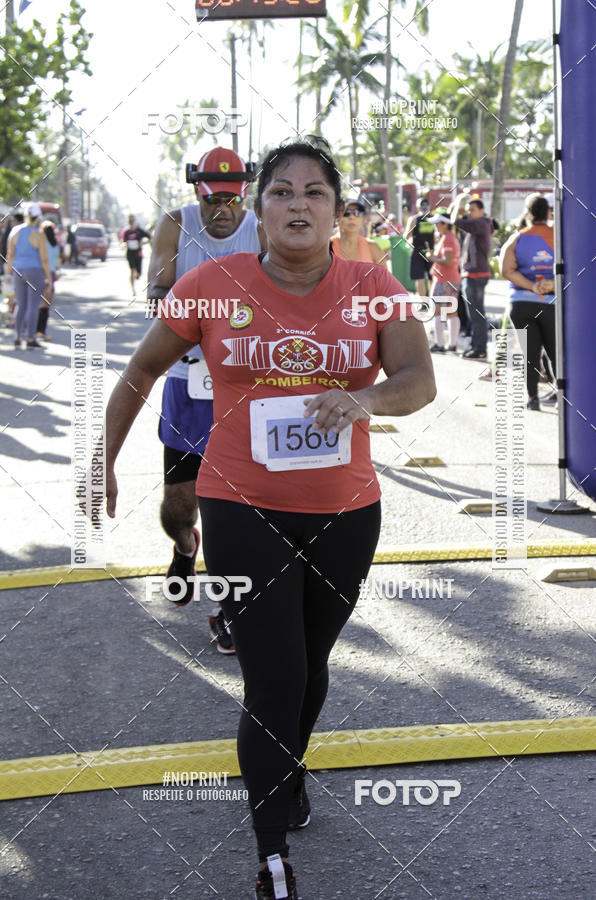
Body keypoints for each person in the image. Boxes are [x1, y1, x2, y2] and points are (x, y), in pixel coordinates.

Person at [102, 139, 436, 899]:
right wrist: (104, 460)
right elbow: (139, 372)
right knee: (274, 674)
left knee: (311, 670)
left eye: (314, 192)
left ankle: (288, 768)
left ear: (335, 210)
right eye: (281, 192)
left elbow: (418, 378)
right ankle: (271, 854)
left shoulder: (373, 285)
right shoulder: (211, 284)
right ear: (258, 210)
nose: (297, 204)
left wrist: (367, 399)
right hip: (238, 503)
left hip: (345, 512)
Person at [148, 146, 262, 652]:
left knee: (236, 506)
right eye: (215, 200)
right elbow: (157, 292)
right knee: (180, 504)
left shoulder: (260, 226)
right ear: (198, 192)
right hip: (186, 379)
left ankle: (227, 608)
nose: (224, 210)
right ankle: (183, 546)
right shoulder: (174, 225)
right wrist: (206, 306)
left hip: (245, 380)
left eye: (233, 200)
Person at [500, 193, 556, 410]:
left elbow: (507, 270)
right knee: (555, 351)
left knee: (530, 351)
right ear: (548, 212)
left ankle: (532, 399)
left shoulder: (516, 238)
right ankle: (563, 396)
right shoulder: (559, 236)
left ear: (528, 213)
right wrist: (550, 284)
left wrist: (531, 286)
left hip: (522, 303)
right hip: (551, 302)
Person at [451, 197, 494, 360]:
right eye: (468, 210)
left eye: (472, 210)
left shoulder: (481, 224)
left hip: (476, 274)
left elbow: (455, 221)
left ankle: (480, 348)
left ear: (482, 210)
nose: (469, 213)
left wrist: (457, 206)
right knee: (475, 314)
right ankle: (477, 345)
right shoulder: (479, 225)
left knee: (476, 314)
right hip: (473, 274)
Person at [5, 202, 51, 350]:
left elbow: (10, 255)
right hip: (35, 271)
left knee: (21, 304)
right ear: (38, 217)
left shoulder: (15, 232)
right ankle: (31, 338)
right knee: (33, 306)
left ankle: (18, 337)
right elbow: (44, 258)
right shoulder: (39, 234)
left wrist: (7, 274)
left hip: (18, 271)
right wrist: (49, 278)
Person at [427, 213, 461, 352]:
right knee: (451, 311)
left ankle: (440, 344)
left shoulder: (447, 239)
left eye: (437, 223)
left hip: (444, 279)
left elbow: (447, 260)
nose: (435, 226)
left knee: (438, 311)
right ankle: (452, 345)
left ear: (445, 224)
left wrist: (433, 257)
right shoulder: (450, 238)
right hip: (452, 278)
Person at [331, 199, 387, 264]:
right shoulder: (327, 248)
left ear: (363, 219)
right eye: (346, 213)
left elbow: (383, 274)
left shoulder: (373, 248)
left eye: (357, 213)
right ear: (337, 217)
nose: (352, 217)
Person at [404, 196, 435, 295]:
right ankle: (433, 302)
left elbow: (406, 235)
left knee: (419, 278)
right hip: (431, 251)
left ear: (418, 207)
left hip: (417, 251)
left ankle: (423, 303)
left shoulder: (414, 219)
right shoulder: (434, 219)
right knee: (432, 278)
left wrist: (411, 239)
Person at [36, 221, 61, 340]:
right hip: (51, 273)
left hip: (42, 273)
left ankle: (37, 331)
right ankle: (41, 331)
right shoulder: (56, 245)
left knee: (37, 304)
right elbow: (58, 261)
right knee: (46, 305)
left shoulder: (42, 244)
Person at [121, 214, 151, 296]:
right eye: (129, 219)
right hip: (130, 253)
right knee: (132, 270)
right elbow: (123, 241)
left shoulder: (139, 230)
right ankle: (133, 290)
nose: (131, 221)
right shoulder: (126, 231)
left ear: (134, 220)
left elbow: (150, 237)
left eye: (132, 219)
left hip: (138, 253)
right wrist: (124, 245)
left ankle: (138, 274)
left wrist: (143, 243)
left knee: (138, 273)